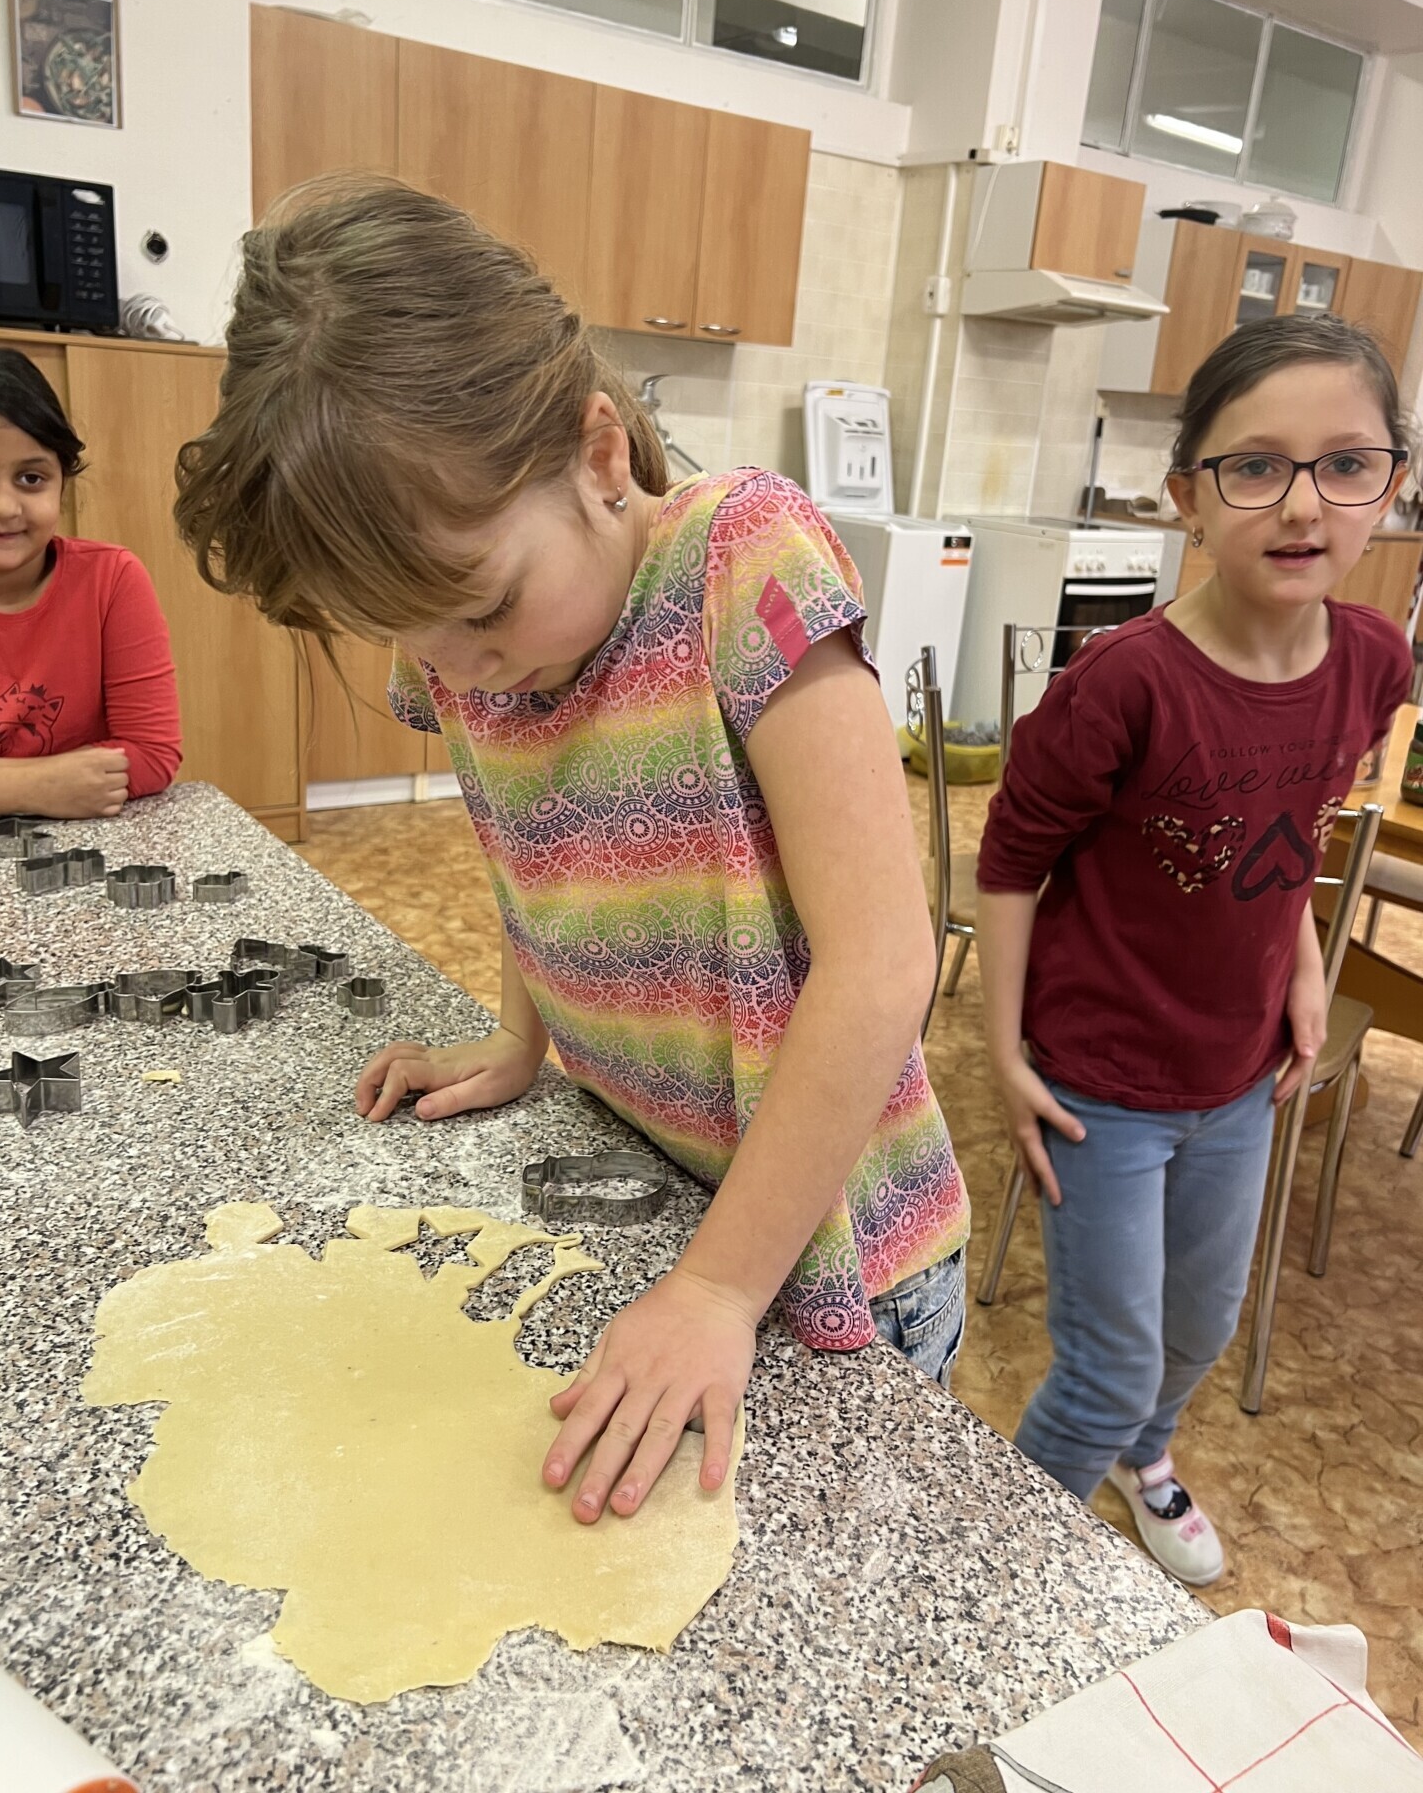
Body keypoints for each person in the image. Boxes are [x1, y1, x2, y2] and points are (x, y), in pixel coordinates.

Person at [173, 176, 970, 1524]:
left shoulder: (743, 564)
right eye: (414, 640)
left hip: (837, 1258)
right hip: (666, 1189)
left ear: (600, 457)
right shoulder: (457, 639)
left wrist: (718, 1287)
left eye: (486, 611)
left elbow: (884, 966)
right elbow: (532, 841)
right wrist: (518, 1037)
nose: (461, 671)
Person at [976, 312, 1414, 1585]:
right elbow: (1009, 863)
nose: (1303, 503)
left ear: (1390, 486)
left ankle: (1146, 1458)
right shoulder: (1124, 684)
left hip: (1240, 1079)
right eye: (1256, 466)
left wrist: (1307, 971)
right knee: (1105, 1366)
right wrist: (1005, 1054)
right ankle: (994, 1585)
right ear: (1189, 499)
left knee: (1198, 1331)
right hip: (1100, 1086)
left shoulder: (1373, 660)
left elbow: (1294, 833)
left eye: (1346, 464)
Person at [0, 348, 181, 818]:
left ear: (62, 488)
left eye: (31, 478)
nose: (3, 506)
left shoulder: (111, 578)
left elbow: (153, 752)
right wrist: (37, 786)